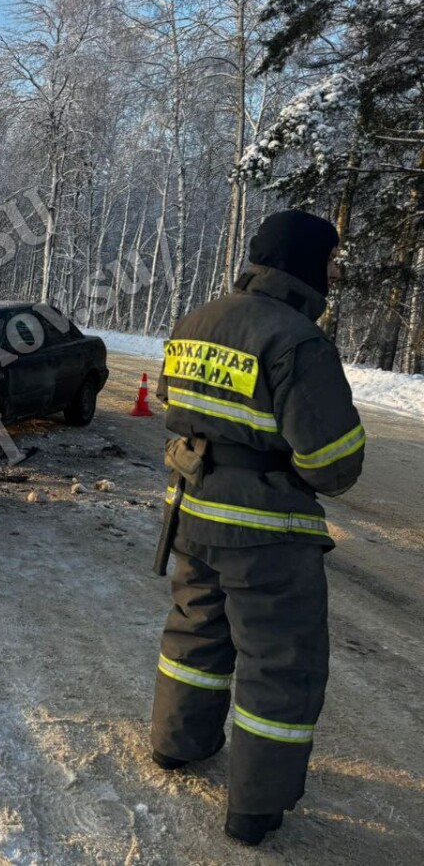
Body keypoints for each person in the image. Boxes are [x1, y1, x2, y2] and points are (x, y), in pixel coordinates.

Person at [150, 210, 365, 846]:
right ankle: (254, 809)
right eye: (329, 261)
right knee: (281, 665)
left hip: (192, 513)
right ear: (301, 263)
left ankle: (175, 746)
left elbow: (173, 402)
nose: (333, 273)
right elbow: (332, 464)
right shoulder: (298, 340)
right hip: (267, 533)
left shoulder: (197, 320)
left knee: (195, 636)